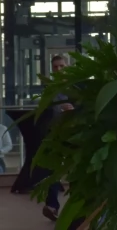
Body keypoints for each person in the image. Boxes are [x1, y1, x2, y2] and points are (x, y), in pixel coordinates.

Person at [41, 54, 73, 222]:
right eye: (55, 67)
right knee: (52, 170)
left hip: (74, 134)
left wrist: (74, 109)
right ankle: (52, 206)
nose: (58, 70)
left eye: (62, 66)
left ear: (68, 67)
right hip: (55, 134)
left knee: (74, 170)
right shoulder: (50, 90)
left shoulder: (77, 87)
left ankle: (75, 209)